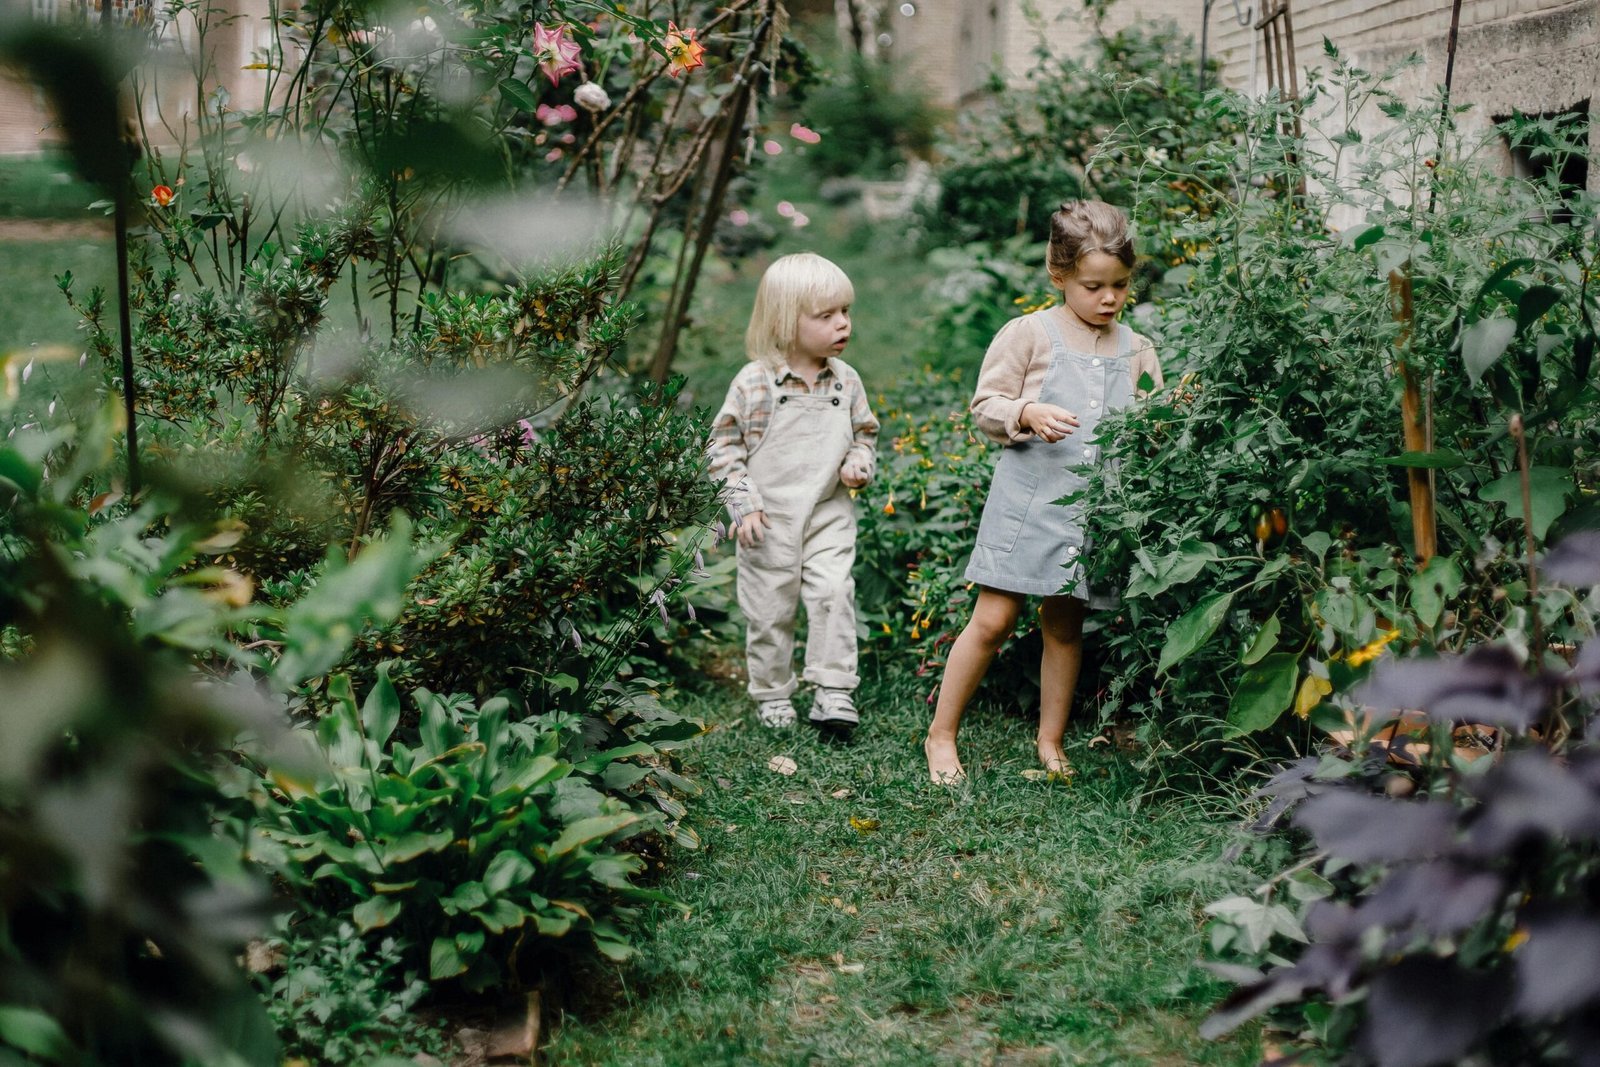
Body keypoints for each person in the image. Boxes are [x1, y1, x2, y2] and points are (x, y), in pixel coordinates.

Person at [924, 201, 1163, 784]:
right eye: (1093, 286)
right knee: (994, 619)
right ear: (1058, 276)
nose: (1109, 299)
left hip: (1093, 512)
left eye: (1121, 286)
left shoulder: (1137, 348)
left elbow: (1148, 422)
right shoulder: (1030, 333)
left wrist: (1164, 418)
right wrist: (1026, 410)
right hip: (1029, 502)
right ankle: (941, 734)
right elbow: (985, 406)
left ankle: (1051, 741)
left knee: (1065, 624)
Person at [708, 252, 879, 732]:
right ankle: (773, 691)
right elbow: (723, 446)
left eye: (845, 312)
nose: (842, 324)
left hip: (828, 510)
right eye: (826, 316)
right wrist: (742, 503)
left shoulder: (846, 382)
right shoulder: (756, 383)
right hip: (769, 518)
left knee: (832, 592)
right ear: (786, 322)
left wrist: (856, 463)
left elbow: (865, 433)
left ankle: (833, 690)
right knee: (769, 609)